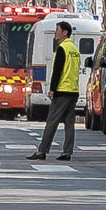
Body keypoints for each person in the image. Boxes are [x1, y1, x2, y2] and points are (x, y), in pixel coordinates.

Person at [31, 20, 82, 162]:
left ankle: (42, 151)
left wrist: (52, 89)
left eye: (57, 30)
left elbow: (58, 71)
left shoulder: (62, 48)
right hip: (73, 90)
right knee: (69, 123)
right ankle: (67, 152)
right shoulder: (74, 50)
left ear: (65, 33)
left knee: (52, 122)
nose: (55, 33)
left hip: (62, 90)